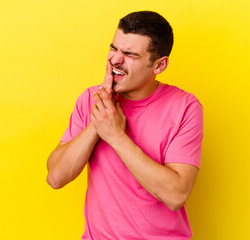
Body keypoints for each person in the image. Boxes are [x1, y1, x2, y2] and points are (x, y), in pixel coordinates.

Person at [46, 11, 204, 240]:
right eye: (114, 48)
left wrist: (116, 136)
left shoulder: (185, 107)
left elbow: (175, 194)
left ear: (159, 66)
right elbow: (56, 177)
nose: (115, 60)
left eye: (129, 54)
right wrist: (98, 122)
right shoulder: (91, 100)